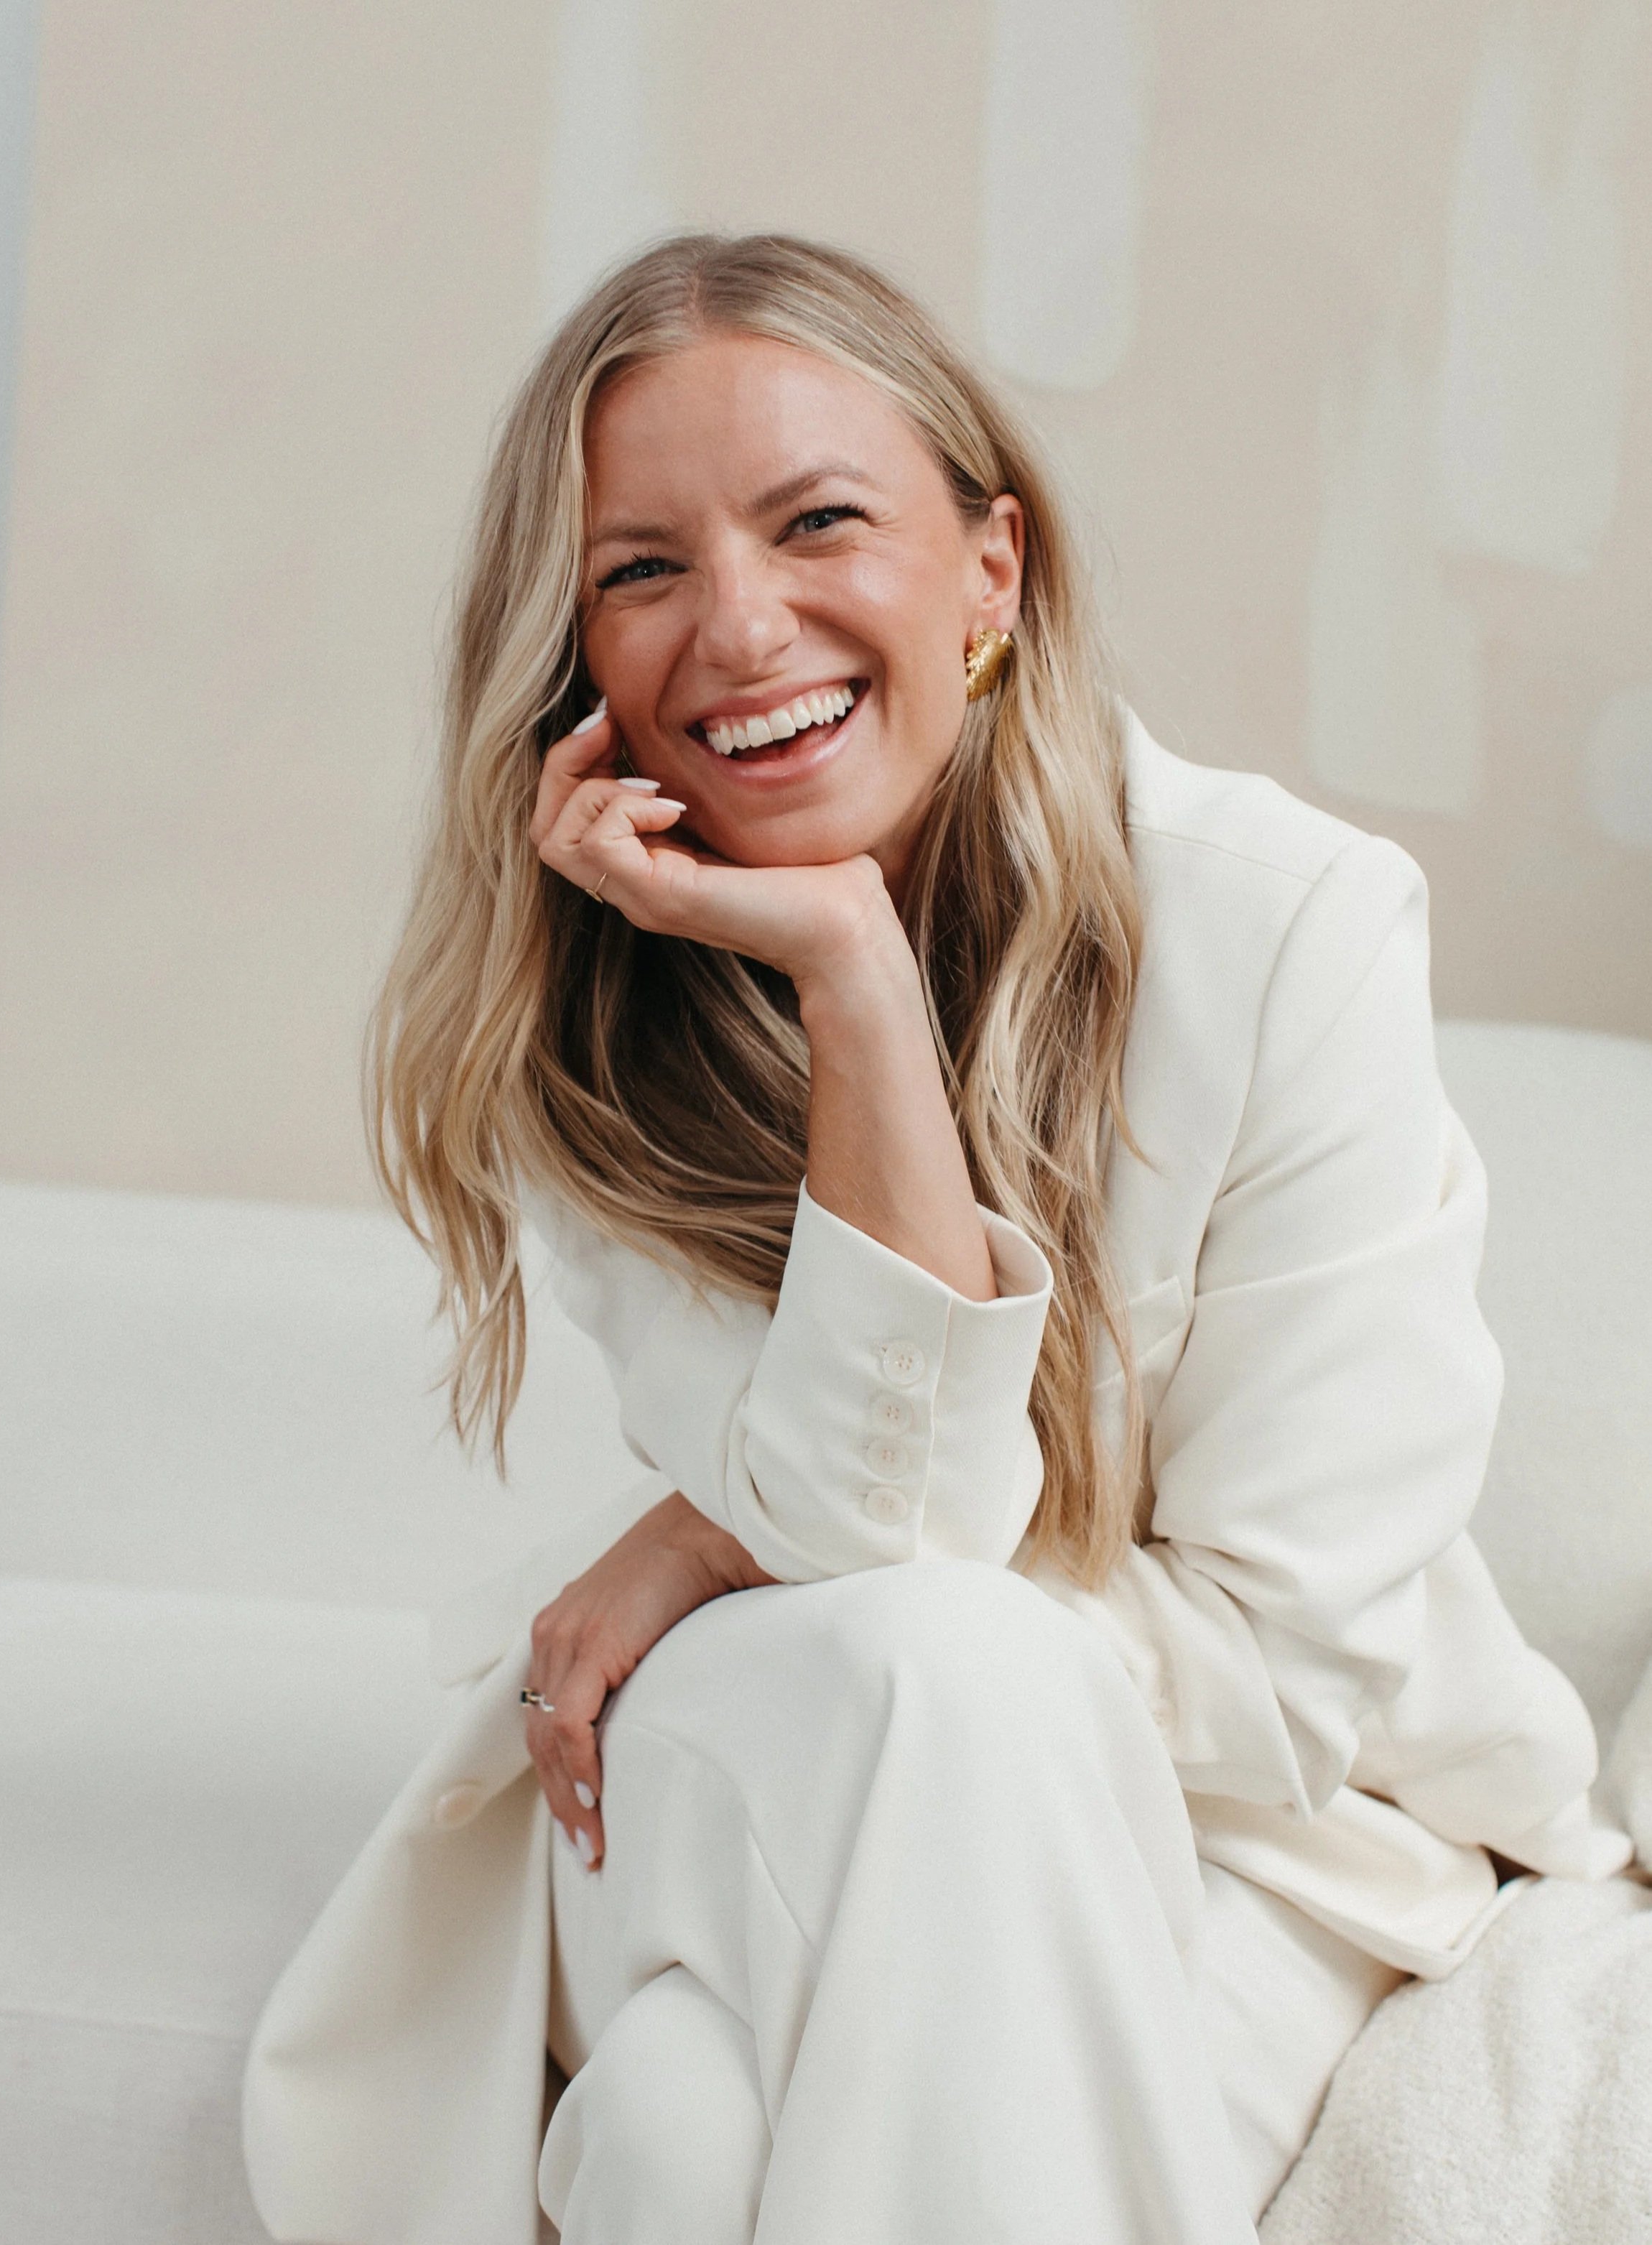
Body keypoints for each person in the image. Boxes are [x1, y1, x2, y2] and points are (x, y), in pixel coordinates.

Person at [241, 234, 1630, 2245]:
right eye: (639, 570)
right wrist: (848, 986)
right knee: (943, 1661)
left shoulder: (1288, 928)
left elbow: (1270, 1683)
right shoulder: (592, 1006)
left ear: (988, 576)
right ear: (577, 653)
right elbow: (892, 1550)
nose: (734, 627)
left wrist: (721, 1531)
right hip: (774, 1757)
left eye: (818, 522)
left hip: (1255, 1834)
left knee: (686, 2142)